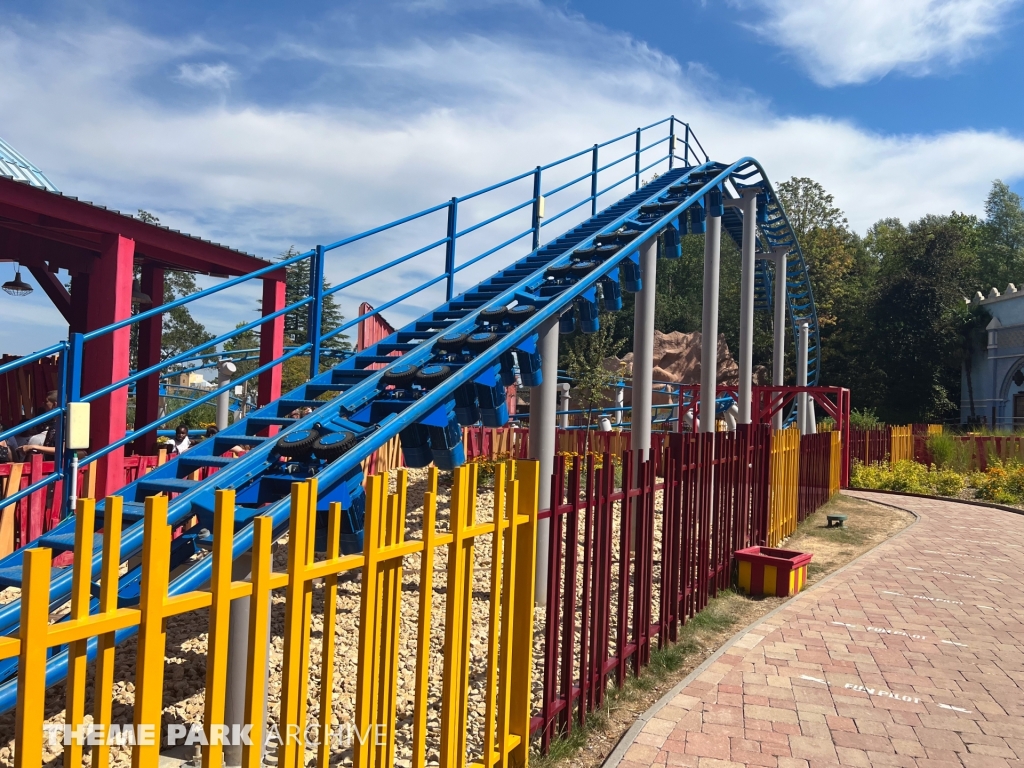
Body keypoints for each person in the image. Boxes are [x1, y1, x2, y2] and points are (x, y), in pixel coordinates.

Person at [18, 391, 58, 459]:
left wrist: (32, 447)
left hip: (58, 466)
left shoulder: (65, 423)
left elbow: (63, 450)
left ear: (55, 405)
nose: (43, 405)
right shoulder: (55, 423)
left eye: (46, 402)